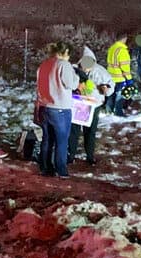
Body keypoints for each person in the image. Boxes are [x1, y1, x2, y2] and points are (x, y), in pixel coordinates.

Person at [36, 41, 78, 178]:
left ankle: (45, 167)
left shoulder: (44, 64)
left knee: (47, 139)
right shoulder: (64, 65)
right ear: (65, 53)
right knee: (61, 140)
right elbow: (70, 84)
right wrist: (77, 77)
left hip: (44, 106)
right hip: (60, 108)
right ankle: (61, 169)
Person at [68, 46, 113, 165]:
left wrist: (105, 89)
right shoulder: (74, 69)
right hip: (78, 104)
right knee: (74, 131)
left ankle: (90, 156)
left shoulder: (100, 71)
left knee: (90, 131)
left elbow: (110, 85)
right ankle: (70, 155)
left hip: (94, 105)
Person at [106, 32, 133, 116]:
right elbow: (125, 67)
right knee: (120, 96)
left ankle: (108, 111)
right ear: (124, 39)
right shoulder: (122, 50)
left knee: (111, 95)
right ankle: (118, 113)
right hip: (119, 77)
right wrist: (129, 79)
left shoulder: (112, 48)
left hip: (110, 76)